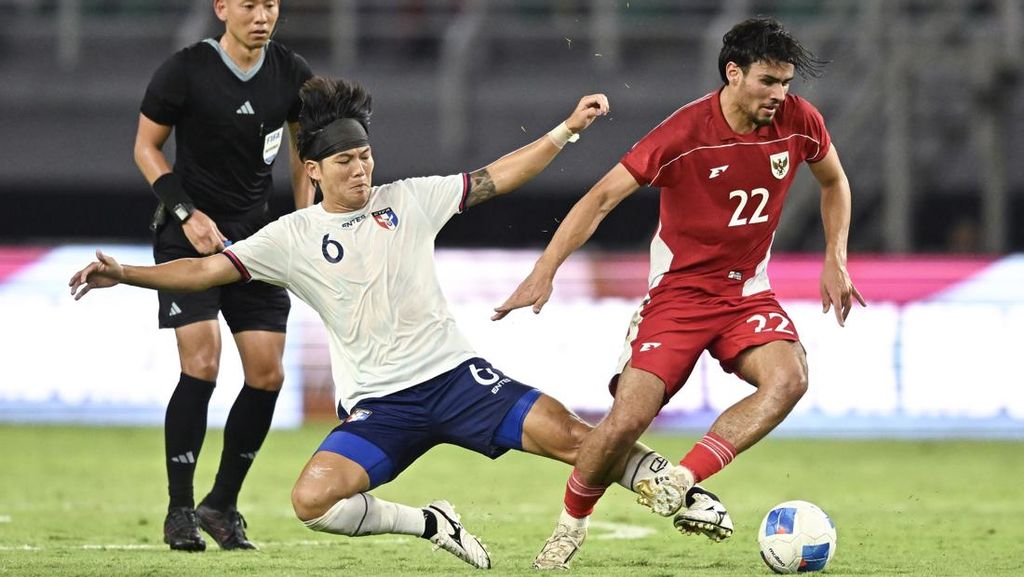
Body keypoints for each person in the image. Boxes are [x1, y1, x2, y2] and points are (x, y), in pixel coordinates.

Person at [70, 76, 731, 569]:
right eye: (345, 161)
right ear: (313, 170)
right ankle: (430, 523)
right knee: (313, 502)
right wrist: (125, 273)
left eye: (365, 156)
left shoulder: (408, 200)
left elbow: (497, 177)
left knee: (574, 437)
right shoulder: (290, 236)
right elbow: (203, 271)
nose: (361, 168)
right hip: (381, 405)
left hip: (455, 378)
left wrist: (566, 130)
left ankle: (680, 488)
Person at [493, 17, 866, 569]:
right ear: (733, 73)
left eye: (786, 83)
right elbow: (600, 198)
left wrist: (835, 257)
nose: (779, 95)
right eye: (768, 81)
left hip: (746, 293)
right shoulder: (684, 133)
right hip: (678, 297)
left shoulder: (799, 120)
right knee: (625, 423)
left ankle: (682, 477)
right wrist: (544, 270)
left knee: (790, 378)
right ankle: (570, 526)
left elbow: (834, 181)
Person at [133, 0, 313, 551]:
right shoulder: (185, 69)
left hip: (258, 242)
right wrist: (187, 213)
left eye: (271, 4)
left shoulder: (292, 73)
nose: (262, 15)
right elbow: (146, 147)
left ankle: (221, 504)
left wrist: (304, 221)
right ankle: (179, 511)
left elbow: (303, 150)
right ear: (222, 8)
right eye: (249, 4)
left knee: (267, 374)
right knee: (203, 363)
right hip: (187, 236)